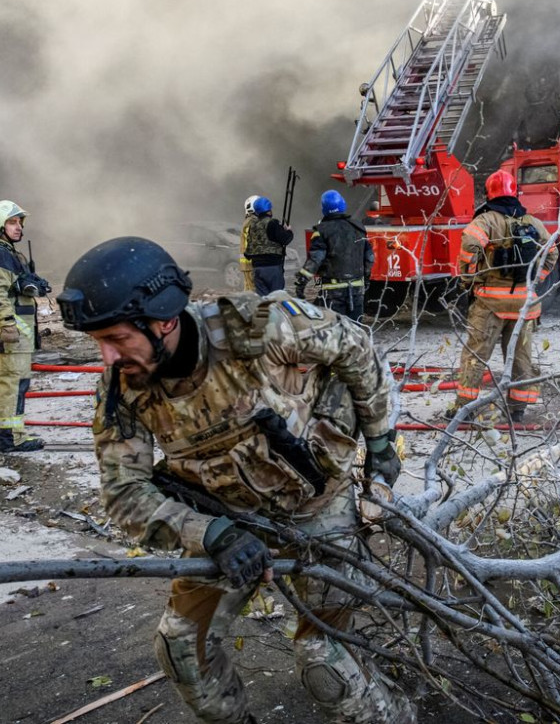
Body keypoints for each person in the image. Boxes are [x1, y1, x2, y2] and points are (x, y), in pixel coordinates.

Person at [56, 236, 414, 724]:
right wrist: (212, 535)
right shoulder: (123, 393)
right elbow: (123, 493)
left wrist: (378, 443)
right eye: (98, 342)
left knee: (323, 662)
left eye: (116, 339)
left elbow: (355, 348)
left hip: (318, 508)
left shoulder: (261, 328)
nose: (107, 358)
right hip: (225, 521)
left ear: (162, 321)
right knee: (181, 649)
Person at [444, 170, 556, 424]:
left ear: (489, 193)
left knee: (475, 355)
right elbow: (552, 253)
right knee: (520, 358)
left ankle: (466, 407)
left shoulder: (486, 221)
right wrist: (536, 278)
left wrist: (468, 278)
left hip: (490, 304)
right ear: (514, 192)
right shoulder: (533, 222)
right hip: (525, 305)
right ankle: (518, 409)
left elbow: (470, 247)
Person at [0, 200, 47, 453]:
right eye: (12, 222)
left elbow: (7, 286)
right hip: (12, 328)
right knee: (14, 382)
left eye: (19, 223)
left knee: (2, 379)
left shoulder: (5, 251)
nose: (18, 228)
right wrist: (8, 324)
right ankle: (13, 438)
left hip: (6, 326)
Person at [293, 189, 374, 322]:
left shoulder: (321, 231)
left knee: (335, 330)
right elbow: (370, 257)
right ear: (343, 205)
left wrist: (301, 282)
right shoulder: (359, 228)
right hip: (356, 289)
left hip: (333, 292)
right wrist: (366, 279)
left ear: (323, 209)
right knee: (355, 331)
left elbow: (315, 259)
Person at [244, 196, 293, 296]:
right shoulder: (272, 223)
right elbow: (285, 239)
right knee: (277, 298)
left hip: (257, 268)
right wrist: (288, 231)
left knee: (263, 301)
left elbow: (248, 252)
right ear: (269, 210)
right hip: (272, 267)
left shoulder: (252, 226)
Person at [239, 195, 259, 290]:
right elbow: (250, 244)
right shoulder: (251, 222)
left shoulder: (249, 221)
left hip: (248, 264)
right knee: (252, 291)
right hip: (251, 264)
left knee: (248, 288)